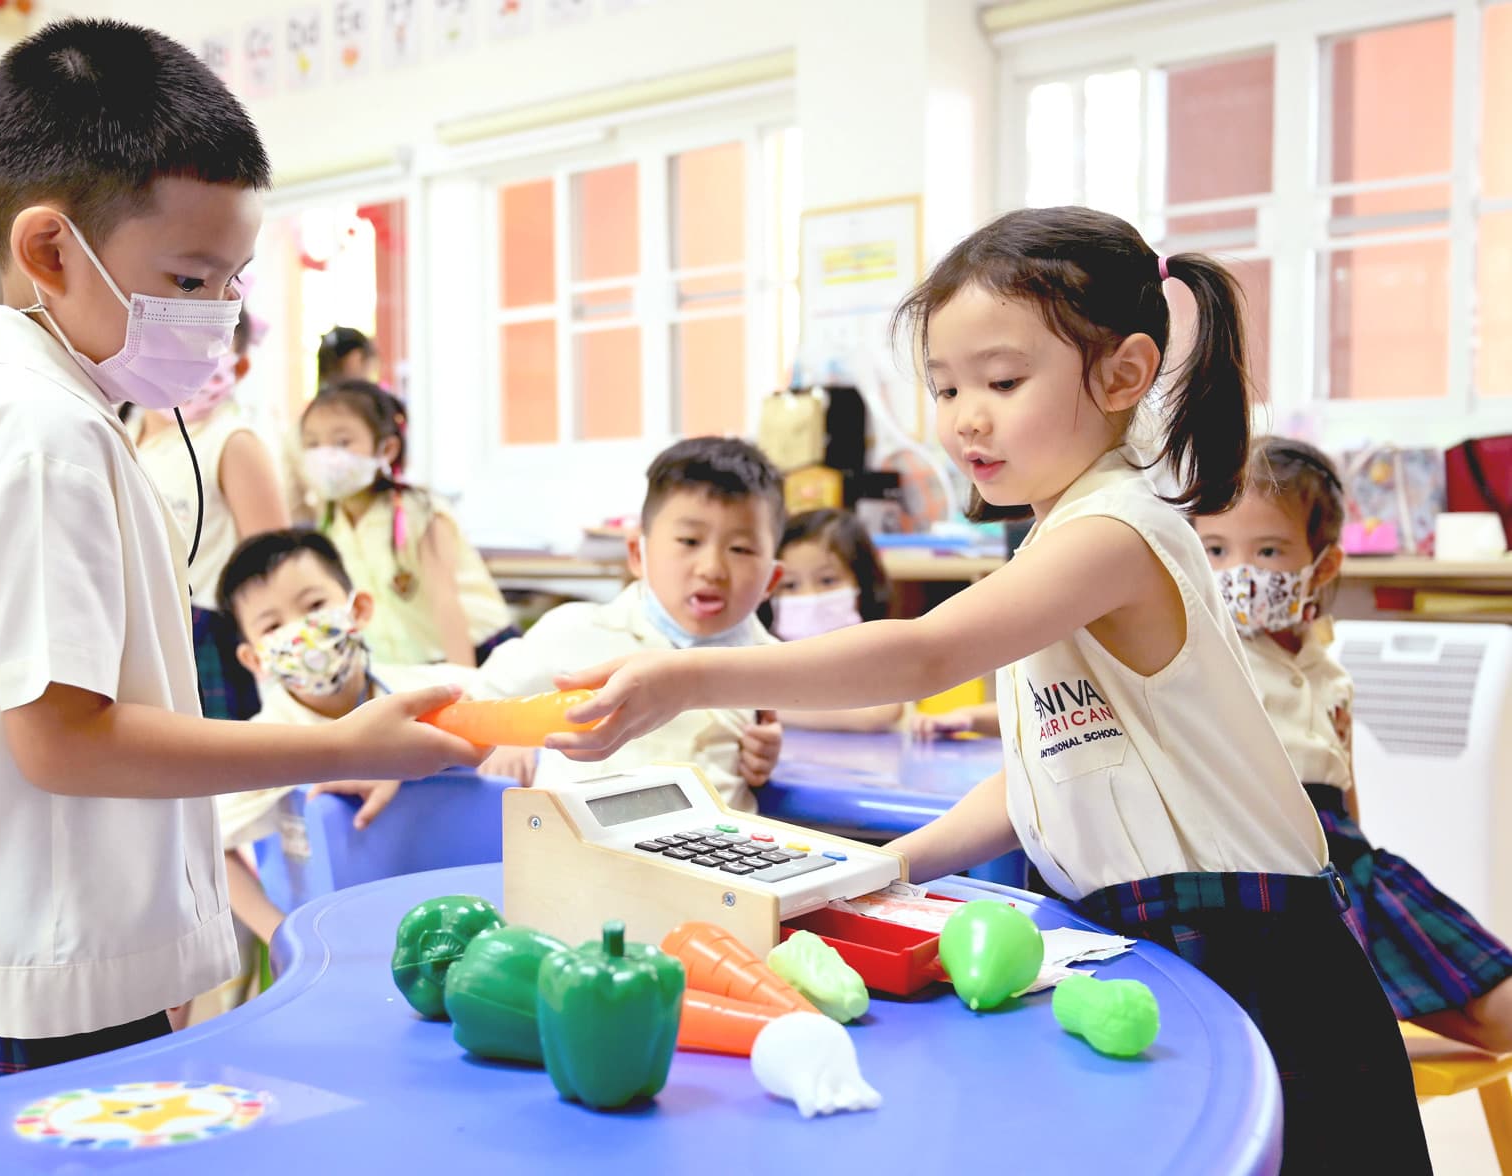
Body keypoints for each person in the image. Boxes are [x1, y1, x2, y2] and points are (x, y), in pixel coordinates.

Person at [547, 207, 1430, 1170]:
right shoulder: (1058, 536)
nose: (967, 415)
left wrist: (688, 673)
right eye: (945, 386)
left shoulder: (1114, 532)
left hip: (1251, 951)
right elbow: (1042, 777)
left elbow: (924, 654)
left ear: (1123, 375)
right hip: (1158, 938)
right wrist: (888, 866)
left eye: (1002, 382)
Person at [0, 19, 482, 1094]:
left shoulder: (68, 411)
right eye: (190, 280)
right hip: (28, 975)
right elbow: (65, 743)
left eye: (233, 281)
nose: (220, 316)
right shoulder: (44, 436)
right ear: (51, 252)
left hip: (52, 948)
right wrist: (336, 746)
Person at [1197, 435, 1512, 1054]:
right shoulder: (1203, 658)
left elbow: (1345, 792)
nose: (1238, 571)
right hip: (1265, 877)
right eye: (1215, 549)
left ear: (1322, 566)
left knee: (1502, 1016)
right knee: (1313, 1032)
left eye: (1268, 550)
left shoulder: (1330, 674)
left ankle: (1371, 1040)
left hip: (1350, 870)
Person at [474, 437, 785, 813]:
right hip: (577, 844)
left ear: (771, 579)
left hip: (715, 849)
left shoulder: (773, 662)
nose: (712, 569)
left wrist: (765, 755)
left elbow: (827, 701)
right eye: (689, 541)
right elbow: (476, 701)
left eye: (741, 549)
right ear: (639, 554)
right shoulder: (574, 630)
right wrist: (506, 737)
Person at [215, 529, 474, 947]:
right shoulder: (260, 743)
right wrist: (283, 939)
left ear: (360, 609)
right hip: (337, 939)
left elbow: (493, 709)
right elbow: (210, 845)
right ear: (254, 658)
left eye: (315, 605)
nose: (302, 631)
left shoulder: (423, 690)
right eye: (273, 625)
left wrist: (500, 744)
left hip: (450, 912)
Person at [132, 305, 291, 719]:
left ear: (239, 366)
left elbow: (274, 570)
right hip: (137, 631)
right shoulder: (122, 433)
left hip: (208, 640)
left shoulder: (233, 442)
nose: (183, 360)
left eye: (206, 349)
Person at [299, 379, 515, 667]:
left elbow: (446, 602)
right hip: (413, 666)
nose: (326, 455)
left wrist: (465, 680)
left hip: (475, 654)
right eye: (313, 444)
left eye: (342, 442)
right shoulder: (331, 524)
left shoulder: (419, 511)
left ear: (387, 449)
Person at [765, 508, 904, 732]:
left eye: (827, 580)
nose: (809, 596)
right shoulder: (764, 651)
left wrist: (769, 708)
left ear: (863, 583)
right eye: (790, 585)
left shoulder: (876, 649)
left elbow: (879, 713)